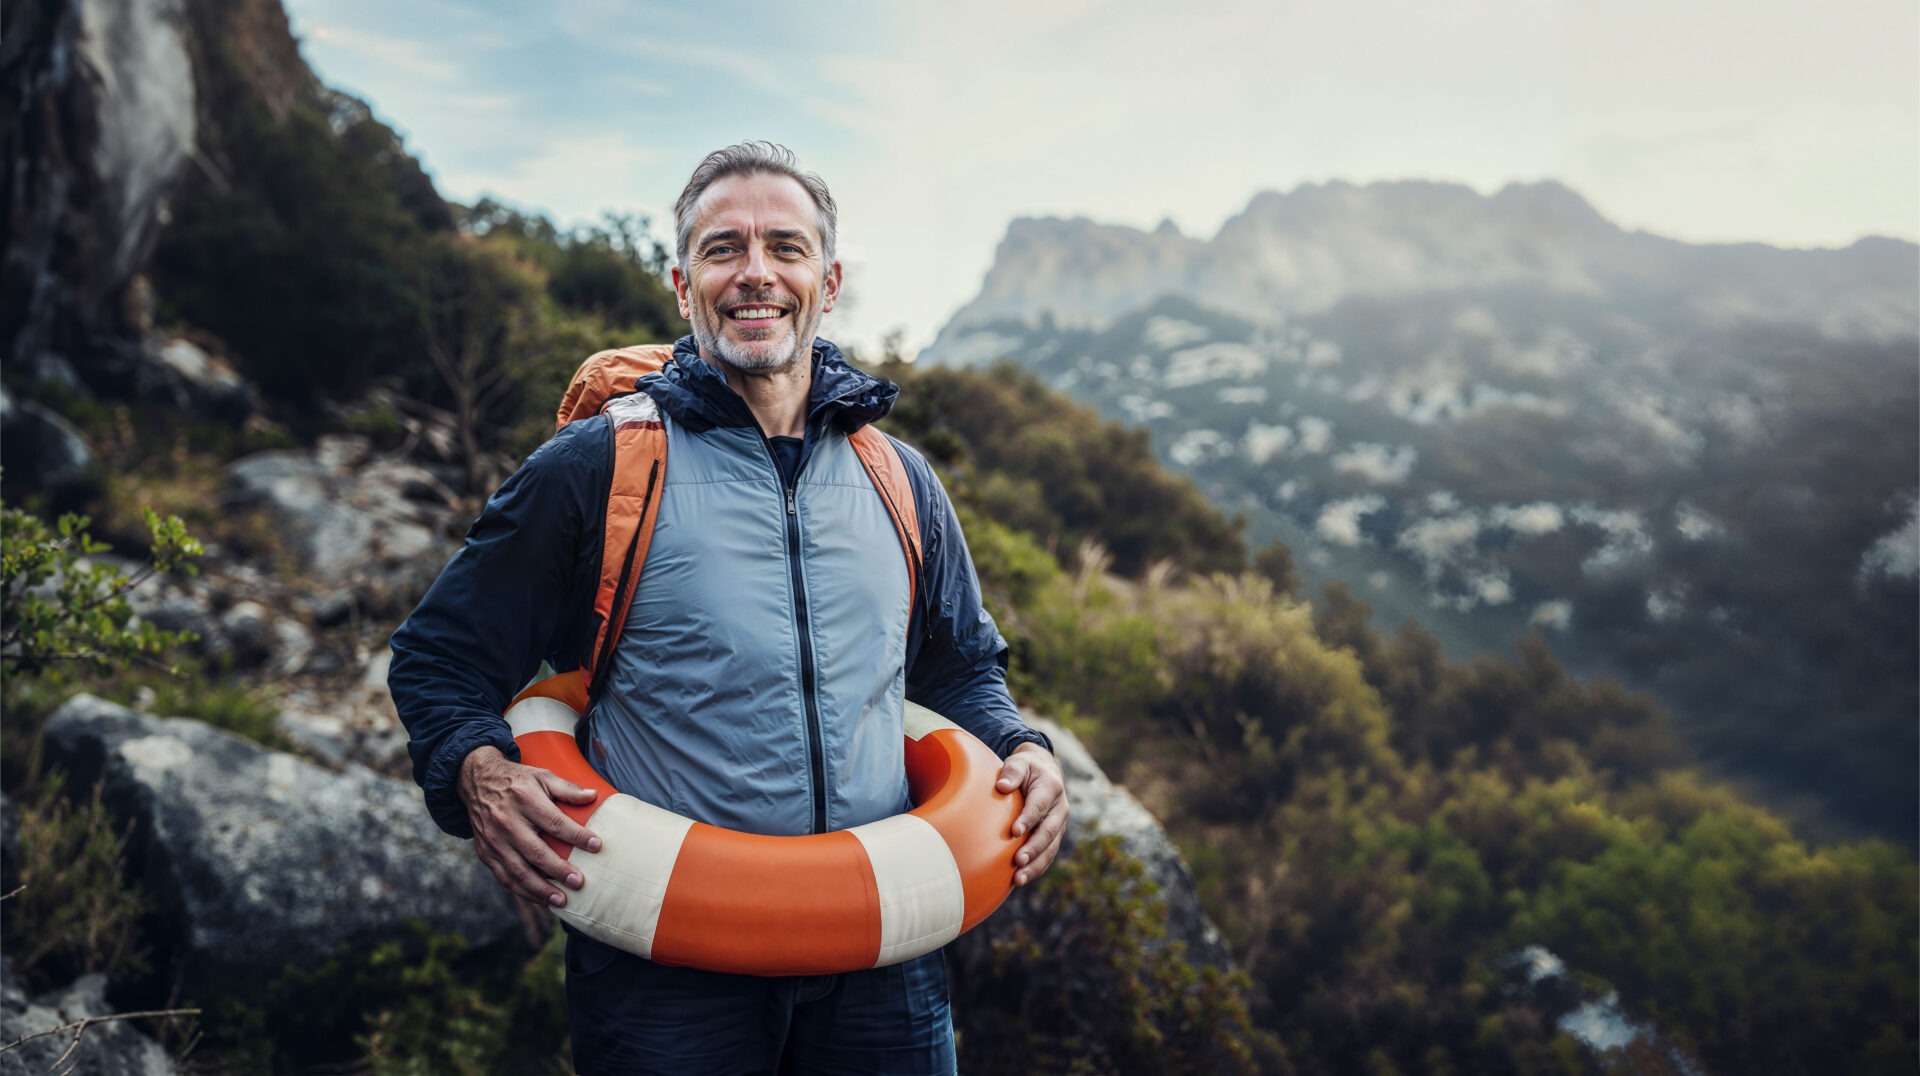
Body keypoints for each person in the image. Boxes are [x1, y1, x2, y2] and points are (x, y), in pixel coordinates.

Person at [388, 141, 1068, 1073]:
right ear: (682, 284)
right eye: (724, 249)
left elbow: (957, 670)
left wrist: (1023, 746)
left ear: (828, 282)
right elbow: (439, 659)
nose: (757, 273)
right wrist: (479, 771)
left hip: (884, 965)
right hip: (671, 968)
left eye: (785, 248)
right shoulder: (599, 468)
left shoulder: (901, 478)